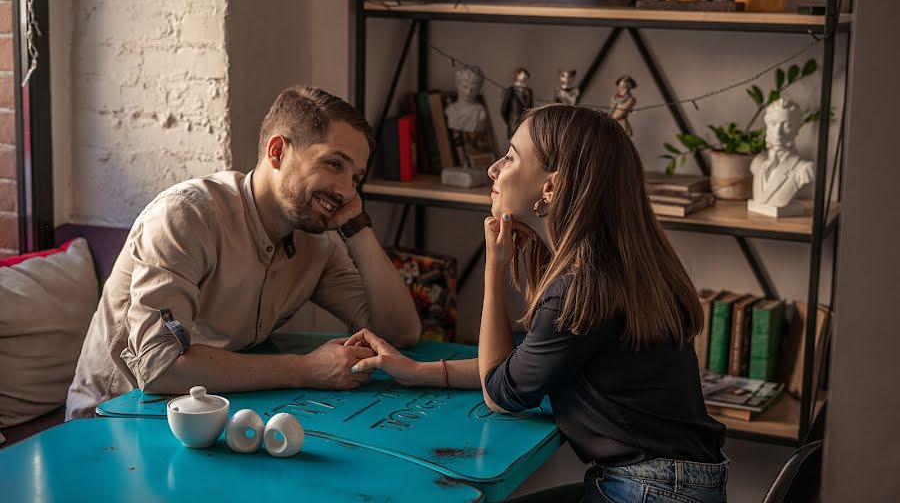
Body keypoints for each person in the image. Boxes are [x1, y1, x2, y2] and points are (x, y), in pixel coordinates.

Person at [346, 105, 728, 502]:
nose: (494, 169)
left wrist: (494, 267)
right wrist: (414, 371)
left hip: (649, 490)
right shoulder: (615, 270)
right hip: (680, 484)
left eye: (510, 157)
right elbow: (522, 366)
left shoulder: (577, 288)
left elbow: (500, 393)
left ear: (550, 188)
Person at [65, 86, 421, 420]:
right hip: (113, 418)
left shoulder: (317, 242)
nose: (346, 190)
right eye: (333, 164)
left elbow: (399, 334)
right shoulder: (186, 216)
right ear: (278, 151)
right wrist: (307, 369)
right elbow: (159, 366)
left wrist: (357, 227)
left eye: (356, 177)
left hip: (213, 414)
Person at [748, 98, 815, 217]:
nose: (778, 132)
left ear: (796, 130)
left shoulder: (804, 170)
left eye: (787, 125)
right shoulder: (757, 163)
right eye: (773, 123)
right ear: (767, 126)